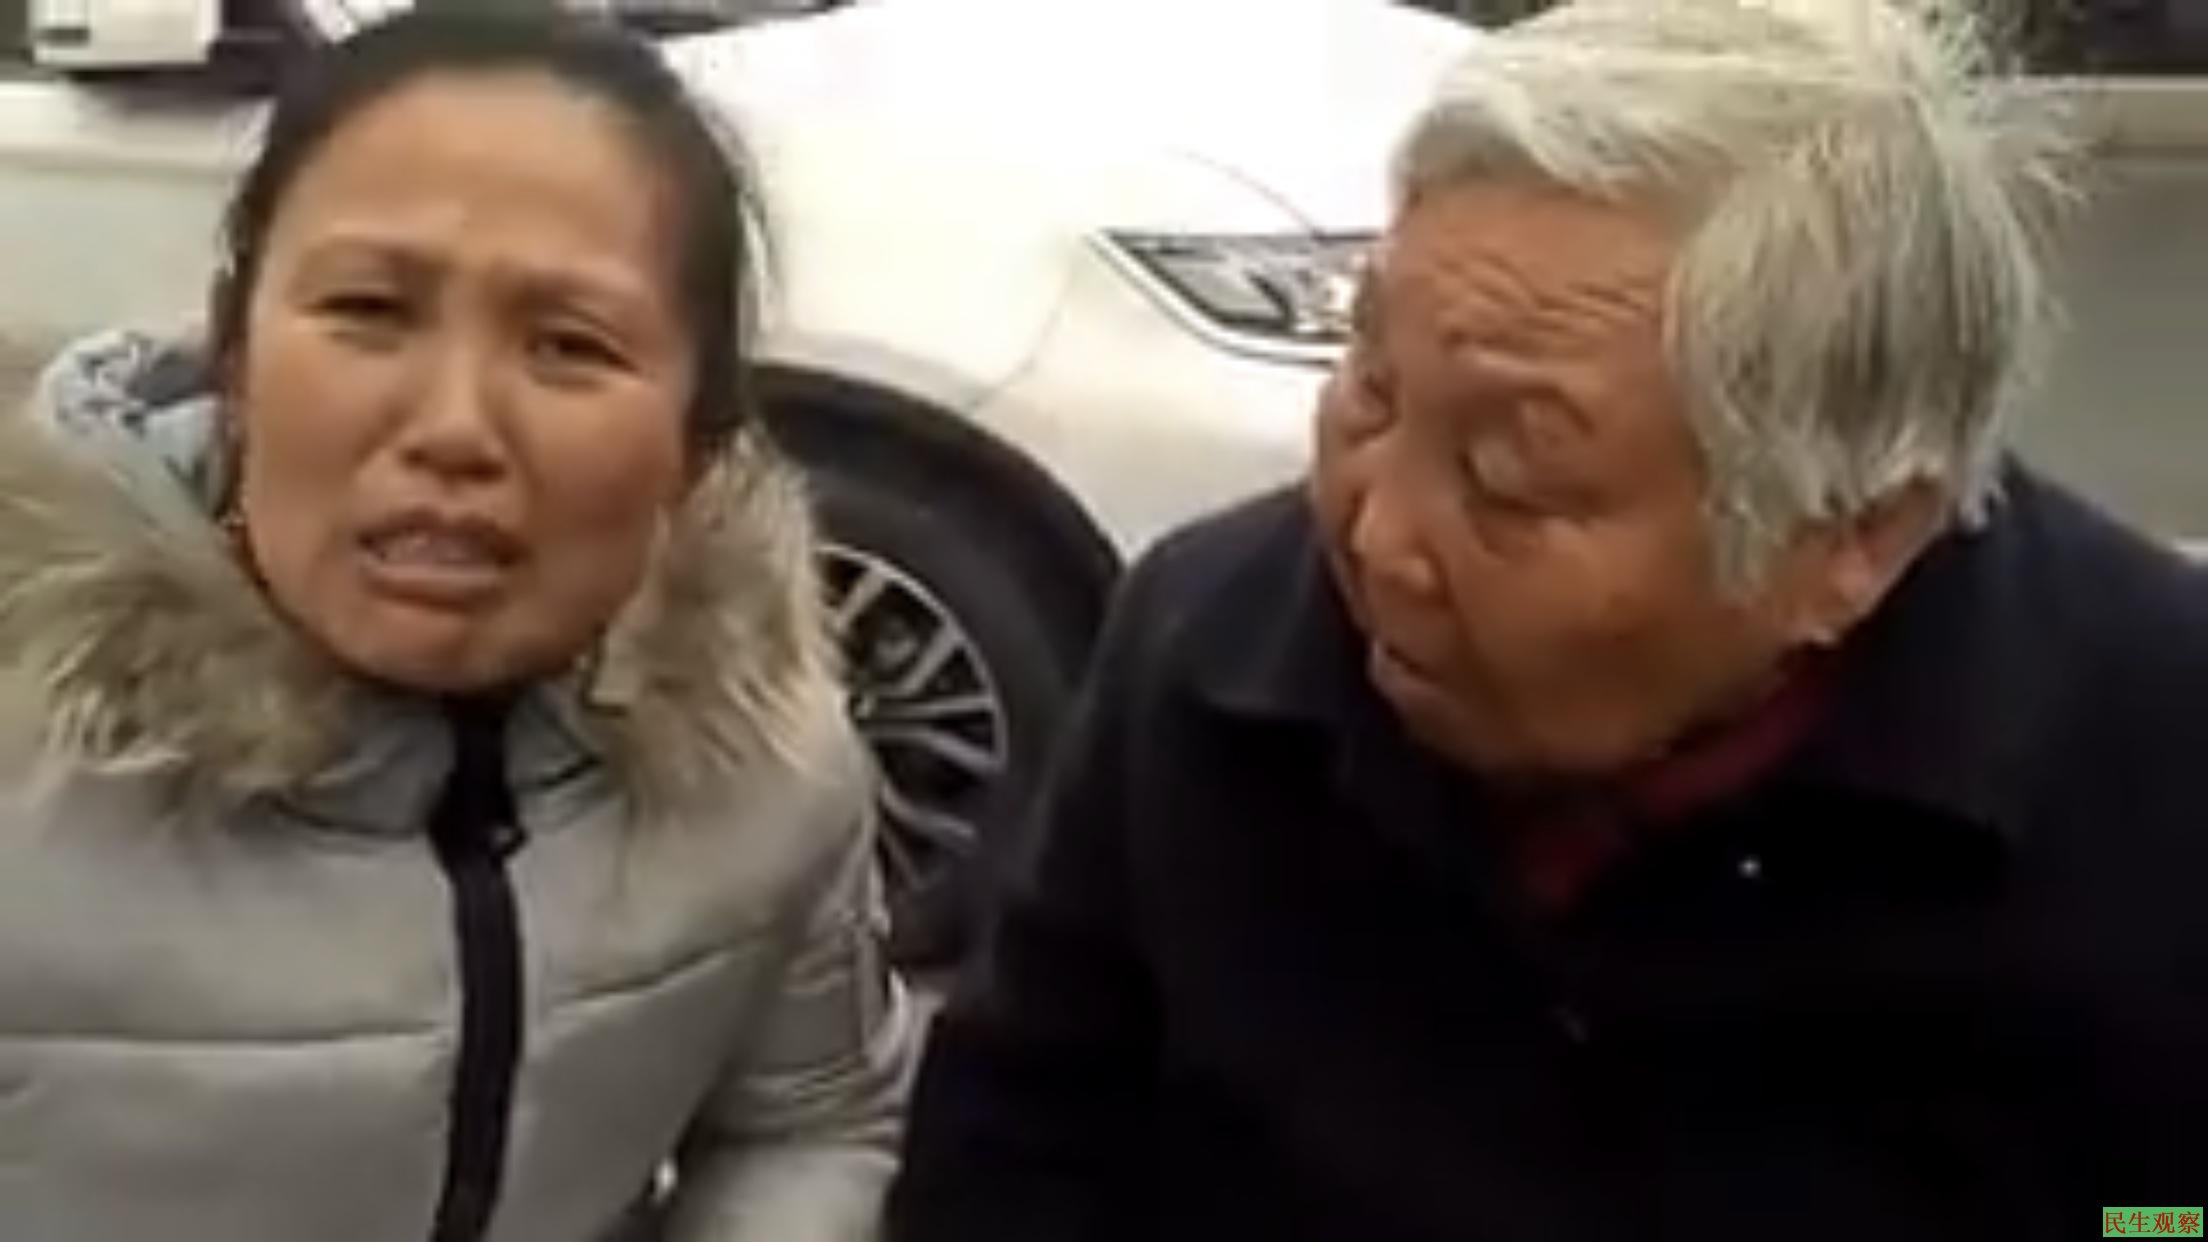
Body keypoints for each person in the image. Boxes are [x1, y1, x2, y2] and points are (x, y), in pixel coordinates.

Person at [889, 1, 2208, 1238]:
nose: (1375, 536)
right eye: (1371, 387)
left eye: (1510, 477)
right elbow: (1014, 1153)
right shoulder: (1203, 651)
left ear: (1855, 535)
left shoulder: (2159, 763)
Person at [0, 12, 913, 1241]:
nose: (454, 427)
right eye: (370, 310)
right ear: (235, 358)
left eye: (570, 346)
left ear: (696, 444)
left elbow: (811, 1120)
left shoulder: (767, 756)